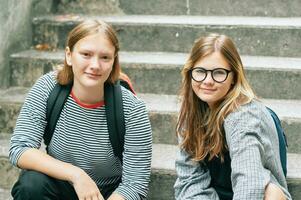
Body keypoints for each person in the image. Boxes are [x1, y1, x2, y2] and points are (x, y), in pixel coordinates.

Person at [9, 20, 152, 200]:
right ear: (69, 55)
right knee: (31, 184)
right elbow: (20, 149)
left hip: (107, 195)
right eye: (86, 54)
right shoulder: (47, 88)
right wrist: (76, 175)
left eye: (105, 57)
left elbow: (135, 185)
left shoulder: (132, 109)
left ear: (114, 61)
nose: (95, 65)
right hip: (61, 186)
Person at [174, 33, 291, 200]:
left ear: (234, 77)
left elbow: (250, 184)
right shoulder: (190, 110)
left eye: (219, 73)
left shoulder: (244, 115)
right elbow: (189, 180)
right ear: (190, 72)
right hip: (217, 188)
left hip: (257, 185)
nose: (207, 80)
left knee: (271, 193)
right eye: (200, 71)